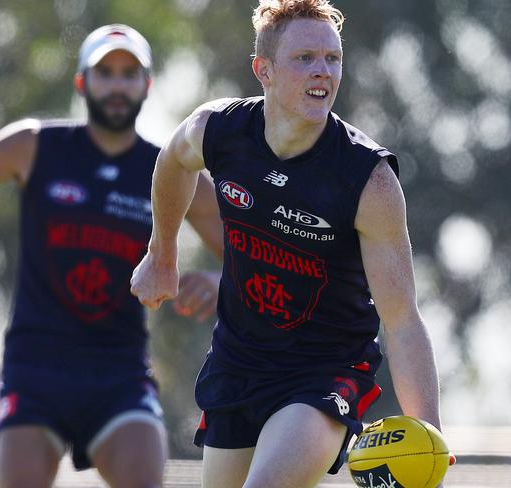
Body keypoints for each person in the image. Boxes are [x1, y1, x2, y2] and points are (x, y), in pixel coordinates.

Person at [131, 1, 453, 487]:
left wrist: (429, 431)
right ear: (264, 70)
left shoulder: (369, 180)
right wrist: (162, 255)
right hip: (237, 362)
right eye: (305, 58)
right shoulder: (218, 130)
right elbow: (174, 161)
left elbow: (402, 317)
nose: (323, 70)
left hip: (324, 371)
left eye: (333, 58)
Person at [0, 24, 223, 488]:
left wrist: (222, 279)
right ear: (82, 82)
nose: (117, 84)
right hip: (34, 369)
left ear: (147, 85)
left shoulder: (169, 171)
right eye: (105, 72)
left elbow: (255, 253)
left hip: (120, 373)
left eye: (130, 73)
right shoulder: (34, 145)